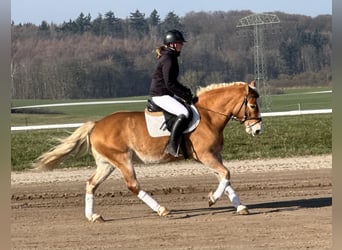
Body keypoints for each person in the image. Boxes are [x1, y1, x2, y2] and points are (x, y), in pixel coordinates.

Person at [149, 29, 193, 157]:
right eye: (180, 43)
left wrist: (186, 91)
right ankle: (172, 146)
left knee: (187, 108)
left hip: (165, 93)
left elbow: (173, 82)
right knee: (184, 113)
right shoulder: (168, 59)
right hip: (161, 95)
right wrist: (184, 95)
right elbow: (169, 83)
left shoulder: (170, 57)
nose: (182, 45)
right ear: (172, 44)